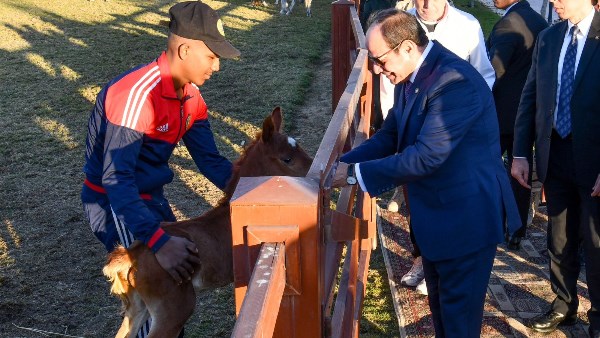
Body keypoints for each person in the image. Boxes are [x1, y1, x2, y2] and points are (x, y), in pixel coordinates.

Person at [333, 9, 520, 337]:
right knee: (443, 317)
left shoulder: (453, 83)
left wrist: (353, 176)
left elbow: (426, 157)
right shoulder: (414, 74)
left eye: (379, 60)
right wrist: (345, 163)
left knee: (458, 323)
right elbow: (392, 133)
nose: (377, 70)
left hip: (466, 221)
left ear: (406, 48)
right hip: (438, 219)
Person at [81, 1, 240, 336]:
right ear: (184, 49)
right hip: (115, 203)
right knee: (160, 311)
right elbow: (116, 179)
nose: (218, 67)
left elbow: (210, 160)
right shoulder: (135, 96)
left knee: (167, 302)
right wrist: (157, 240)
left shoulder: (192, 97)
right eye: (212, 56)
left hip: (148, 197)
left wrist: (252, 191)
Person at [382, 0, 496, 296]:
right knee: (418, 206)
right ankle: (423, 258)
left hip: (454, 143)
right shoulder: (397, 26)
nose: (426, 3)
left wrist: (466, 117)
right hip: (414, 139)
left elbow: (483, 74)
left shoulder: (468, 26)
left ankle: (442, 262)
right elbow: (390, 89)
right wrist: (393, 135)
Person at [511, 0, 600, 335]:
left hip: (595, 161)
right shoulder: (549, 38)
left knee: (595, 243)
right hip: (556, 153)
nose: (553, 1)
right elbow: (530, 96)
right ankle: (564, 306)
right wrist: (520, 152)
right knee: (558, 238)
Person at [486, 0, 548, 250]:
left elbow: (494, 73)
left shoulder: (507, 25)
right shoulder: (540, 22)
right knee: (521, 171)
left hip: (501, 115)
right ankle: (517, 228)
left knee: (491, 169)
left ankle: (495, 223)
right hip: (530, 114)